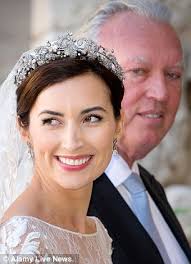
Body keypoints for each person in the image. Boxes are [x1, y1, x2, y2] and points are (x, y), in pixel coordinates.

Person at [0, 32, 124, 263]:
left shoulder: (95, 231)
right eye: (51, 121)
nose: (72, 142)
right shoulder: (23, 245)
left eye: (92, 118)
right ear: (23, 129)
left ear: (119, 123)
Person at [82, 0, 191, 263]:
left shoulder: (150, 187)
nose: (161, 92)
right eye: (139, 71)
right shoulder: (68, 203)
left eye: (173, 74)